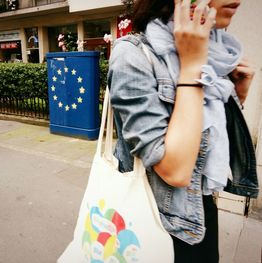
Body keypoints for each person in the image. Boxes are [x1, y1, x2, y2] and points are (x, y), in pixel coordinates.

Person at [108, 0, 259, 262]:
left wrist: (239, 97)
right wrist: (192, 68)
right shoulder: (133, 55)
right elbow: (175, 171)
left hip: (202, 209)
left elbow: (203, 142)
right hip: (156, 222)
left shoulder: (211, 52)